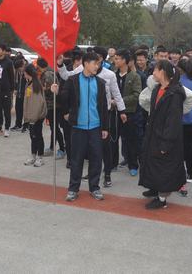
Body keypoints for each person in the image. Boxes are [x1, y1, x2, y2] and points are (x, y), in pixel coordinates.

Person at [57, 52, 109, 202]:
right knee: (76, 159)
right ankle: (73, 188)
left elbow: (104, 107)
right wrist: (65, 111)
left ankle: (95, 187)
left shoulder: (100, 83)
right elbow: (64, 99)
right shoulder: (73, 80)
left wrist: (105, 127)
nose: (97, 67)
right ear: (86, 63)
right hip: (78, 127)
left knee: (96, 158)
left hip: (95, 127)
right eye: (95, 63)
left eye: (98, 64)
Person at [139, 59, 186, 209]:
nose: (153, 73)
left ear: (163, 72)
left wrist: (166, 142)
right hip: (154, 133)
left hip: (166, 137)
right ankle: (154, 187)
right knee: (153, 162)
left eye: (155, 70)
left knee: (164, 167)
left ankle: (162, 199)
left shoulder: (174, 94)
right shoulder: (157, 89)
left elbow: (173, 122)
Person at [113, 50, 143, 179]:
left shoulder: (134, 76)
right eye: (115, 58)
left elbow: (137, 95)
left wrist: (119, 101)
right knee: (113, 139)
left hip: (130, 112)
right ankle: (112, 164)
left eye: (118, 58)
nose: (116, 61)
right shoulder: (113, 75)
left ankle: (133, 165)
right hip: (114, 112)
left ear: (125, 60)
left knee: (131, 139)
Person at [36, 58, 66, 158]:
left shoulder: (48, 74)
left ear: (40, 66)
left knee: (55, 128)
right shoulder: (50, 72)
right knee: (53, 127)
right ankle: (52, 147)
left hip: (53, 105)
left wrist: (41, 89)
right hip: (51, 104)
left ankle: (62, 149)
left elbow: (51, 89)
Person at [22, 64, 48, 167]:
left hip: (36, 116)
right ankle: (33, 155)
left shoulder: (35, 85)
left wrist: (32, 118)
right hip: (31, 116)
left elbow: (37, 104)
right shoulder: (30, 84)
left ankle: (40, 157)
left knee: (38, 136)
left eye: (24, 73)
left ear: (28, 74)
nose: (24, 75)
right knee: (33, 136)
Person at [0, 43, 15, 136]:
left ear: (4, 51)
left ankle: (7, 128)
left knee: (6, 110)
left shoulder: (9, 62)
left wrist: (12, 89)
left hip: (6, 90)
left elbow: (12, 77)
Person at [11, 57, 27, 132]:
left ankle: (26, 126)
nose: (19, 70)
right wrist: (15, 89)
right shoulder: (18, 72)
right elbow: (16, 81)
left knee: (26, 110)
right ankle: (18, 124)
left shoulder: (28, 70)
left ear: (23, 66)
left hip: (26, 94)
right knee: (18, 109)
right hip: (19, 93)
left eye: (19, 68)